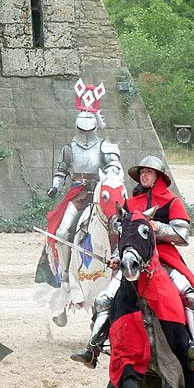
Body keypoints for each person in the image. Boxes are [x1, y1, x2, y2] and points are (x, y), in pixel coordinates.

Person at [71, 156, 194, 370]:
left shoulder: (172, 201)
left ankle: (192, 345)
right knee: (104, 299)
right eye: (141, 172)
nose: (144, 175)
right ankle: (93, 349)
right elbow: (123, 234)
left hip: (163, 259)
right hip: (132, 258)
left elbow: (183, 235)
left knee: (190, 296)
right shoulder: (131, 204)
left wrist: (157, 228)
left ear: (158, 177)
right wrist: (118, 256)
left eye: (149, 172)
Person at [38, 80, 121, 325]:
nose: (85, 133)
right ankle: (65, 275)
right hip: (77, 195)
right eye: (81, 129)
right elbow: (62, 171)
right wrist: (55, 185)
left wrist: (109, 175)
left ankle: (120, 268)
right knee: (62, 231)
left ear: (95, 125)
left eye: (88, 129)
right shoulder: (69, 148)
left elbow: (115, 168)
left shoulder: (106, 146)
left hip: (100, 196)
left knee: (120, 230)